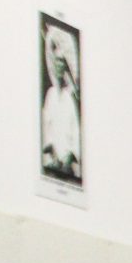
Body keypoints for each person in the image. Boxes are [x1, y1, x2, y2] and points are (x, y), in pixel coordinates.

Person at [41, 26, 82, 183]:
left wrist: (69, 156)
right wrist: (52, 152)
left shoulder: (68, 98)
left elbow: (75, 132)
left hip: (67, 165)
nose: (59, 65)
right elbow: (46, 128)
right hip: (53, 162)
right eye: (56, 61)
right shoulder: (50, 95)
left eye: (61, 62)